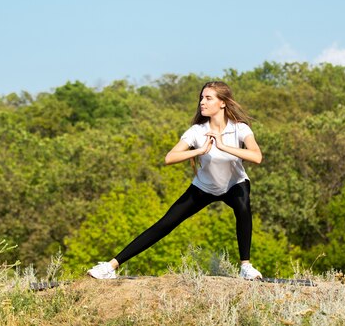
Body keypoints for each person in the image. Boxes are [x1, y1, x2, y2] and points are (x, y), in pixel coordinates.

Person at [87, 81, 263, 280]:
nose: (202, 102)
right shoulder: (197, 131)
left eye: (208, 98)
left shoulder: (240, 129)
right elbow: (169, 157)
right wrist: (199, 150)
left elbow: (256, 156)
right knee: (165, 223)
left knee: (243, 206)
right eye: (201, 98)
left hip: (234, 184)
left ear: (222, 103)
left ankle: (246, 267)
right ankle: (110, 267)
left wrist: (222, 146)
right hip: (203, 188)